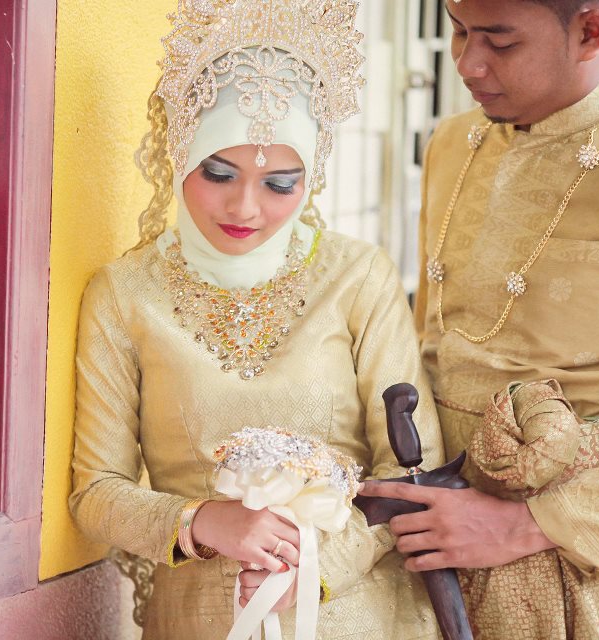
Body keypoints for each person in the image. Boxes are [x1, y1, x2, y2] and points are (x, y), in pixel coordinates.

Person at [69, 1, 444, 637]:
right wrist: (201, 521)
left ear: (313, 174)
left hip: (356, 617)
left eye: (281, 183)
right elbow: (95, 492)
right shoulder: (126, 295)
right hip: (200, 621)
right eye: (219, 173)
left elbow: (411, 469)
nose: (246, 206)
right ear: (179, 149)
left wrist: (321, 565)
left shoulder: (357, 278)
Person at [359, 0, 599, 637]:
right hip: (427, 561)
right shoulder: (452, 142)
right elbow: (428, 352)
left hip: (577, 575)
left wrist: (524, 527)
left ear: (589, 31)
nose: (467, 63)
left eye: (499, 41)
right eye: (458, 31)